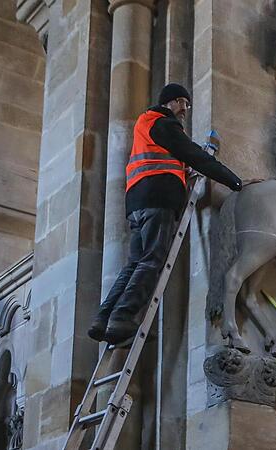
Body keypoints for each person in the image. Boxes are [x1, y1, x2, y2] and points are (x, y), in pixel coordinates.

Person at [89, 83, 243, 345]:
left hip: (137, 203)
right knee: (152, 260)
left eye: (188, 104)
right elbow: (195, 155)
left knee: (135, 263)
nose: (184, 108)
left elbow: (167, 159)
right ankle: (122, 317)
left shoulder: (146, 126)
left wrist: (183, 172)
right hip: (157, 200)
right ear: (168, 103)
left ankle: (103, 319)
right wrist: (235, 182)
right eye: (180, 101)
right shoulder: (163, 123)